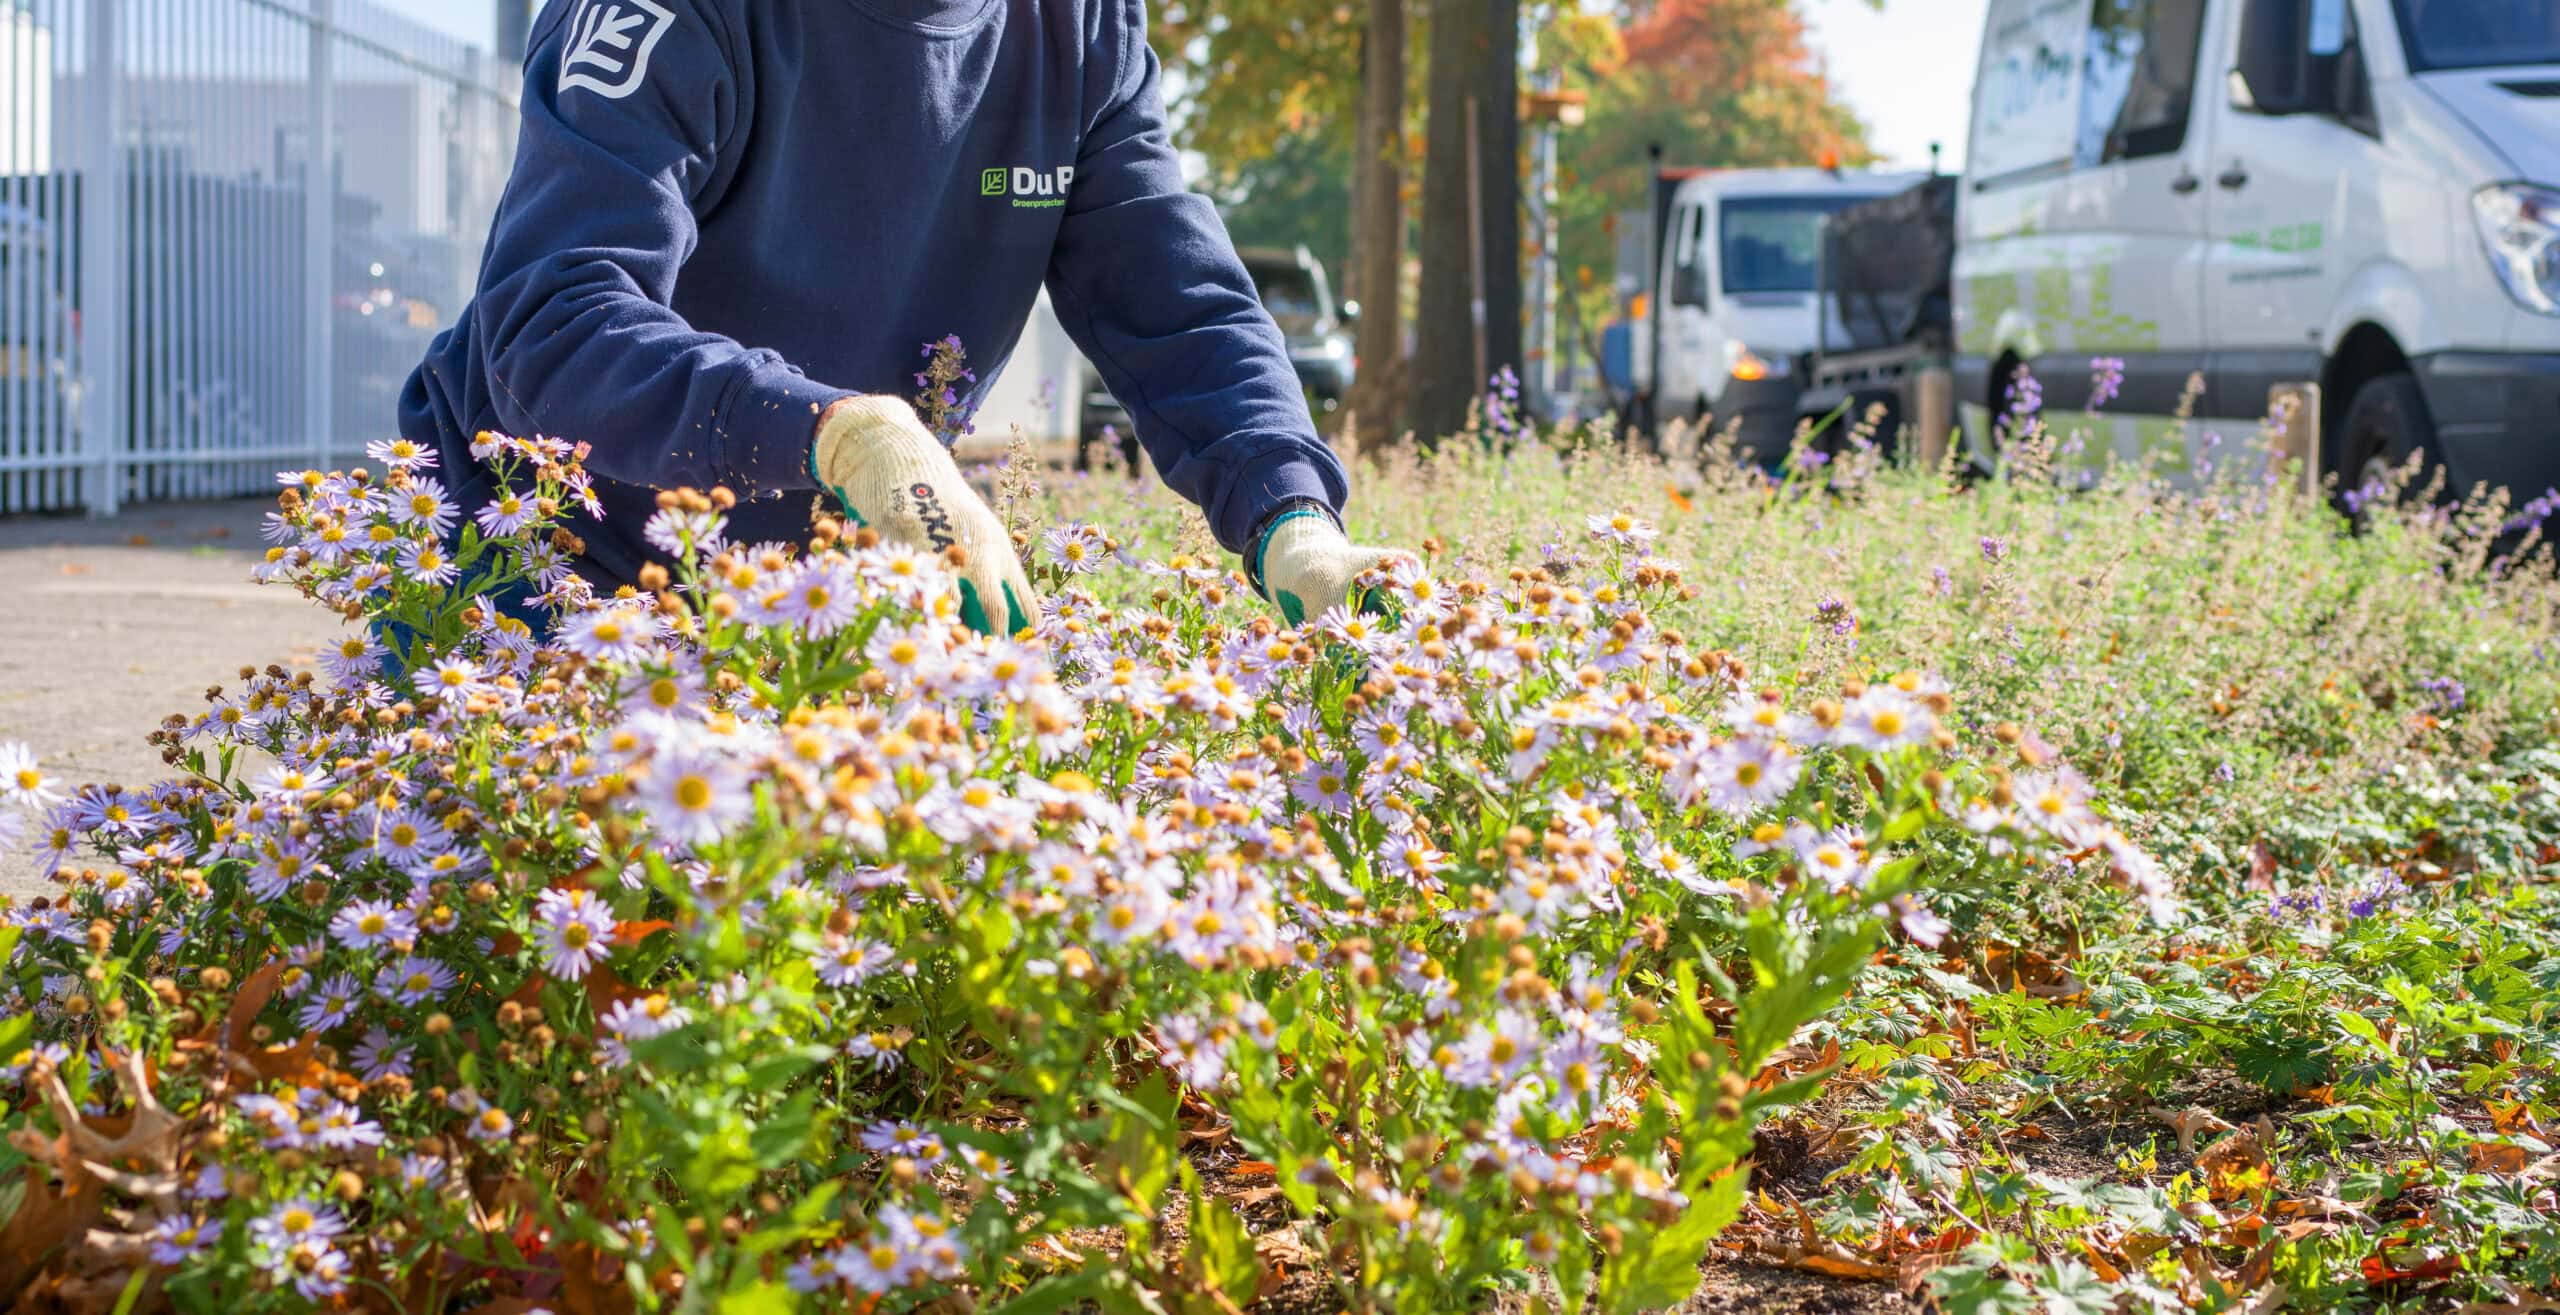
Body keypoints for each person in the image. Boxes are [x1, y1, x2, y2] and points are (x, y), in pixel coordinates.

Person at [399, 0, 1408, 635]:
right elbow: (556, 319)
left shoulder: (1081, 28)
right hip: (536, 563)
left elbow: (1179, 306)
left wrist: (1291, 518)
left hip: (808, 600)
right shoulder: (672, 14)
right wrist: (841, 430)